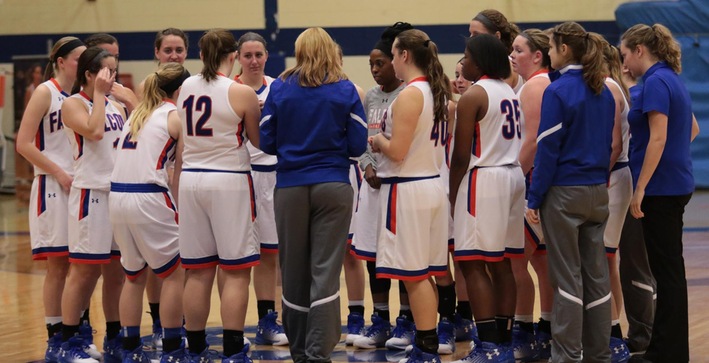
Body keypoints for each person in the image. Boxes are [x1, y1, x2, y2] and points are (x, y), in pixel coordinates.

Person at [260, 27, 367, 363]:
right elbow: (359, 144)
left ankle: (300, 351)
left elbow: (266, 140)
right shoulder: (345, 88)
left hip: (290, 186)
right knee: (325, 270)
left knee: (292, 271)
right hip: (334, 185)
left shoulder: (279, 87)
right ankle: (319, 351)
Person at [526, 21, 615, 363]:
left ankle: (565, 355)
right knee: (596, 278)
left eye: (550, 47)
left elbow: (547, 150)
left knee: (566, 280)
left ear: (564, 49)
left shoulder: (558, 91)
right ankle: (599, 354)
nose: (548, 54)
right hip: (597, 192)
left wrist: (534, 197)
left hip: (564, 194)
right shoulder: (603, 90)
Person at [175, 28, 261, 363]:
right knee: (236, 270)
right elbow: (258, 141)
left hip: (191, 179)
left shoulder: (185, 87)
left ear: (200, 54)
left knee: (198, 271)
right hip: (228, 180)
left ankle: (194, 348)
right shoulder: (240, 92)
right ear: (234, 55)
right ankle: (232, 349)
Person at [368, 28, 450, 363]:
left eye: (394, 54)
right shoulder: (433, 90)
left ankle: (426, 348)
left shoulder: (410, 94)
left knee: (413, 276)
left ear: (403, 55)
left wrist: (377, 141)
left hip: (409, 189)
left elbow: (397, 151)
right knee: (424, 274)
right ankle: (426, 343)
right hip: (429, 185)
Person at [620, 23, 700, 363]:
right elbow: (692, 129)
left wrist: (641, 187)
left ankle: (668, 352)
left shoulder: (654, 82)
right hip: (674, 184)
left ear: (640, 50)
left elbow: (658, 137)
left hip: (661, 191)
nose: (623, 63)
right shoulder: (670, 79)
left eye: (625, 55)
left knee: (667, 273)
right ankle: (665, 349)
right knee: (669, 271)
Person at [108, 62, 189, 362]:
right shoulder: (174, 116)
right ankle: (171, 348)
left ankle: (129, 348)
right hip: (148, 197)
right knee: (173, 274)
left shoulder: (137, 115)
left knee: (134, 276)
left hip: (117, 197)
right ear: (179, 90)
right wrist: (182, 211)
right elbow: (178, 173)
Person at [449, 34, 521, 363]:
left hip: (485, 177)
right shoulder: (509, 90)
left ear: (479, 62)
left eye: (466, 56)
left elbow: (461, 156)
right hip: (512, 175)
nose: (463, 62)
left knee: (471, 263)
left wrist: (451, 196)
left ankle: (489, 345)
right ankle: (503, 342)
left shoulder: (474, 95)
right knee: (503, 262)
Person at [15, 36, 87, 363]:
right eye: (78, 59)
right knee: (58, 267)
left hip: (80, 188)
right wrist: (59, 172)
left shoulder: (81, 97)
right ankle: (55, 339)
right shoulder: (46, 91)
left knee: (82, 268)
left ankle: (77, 334)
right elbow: (23, 143)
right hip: (53, 186)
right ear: (60, 61)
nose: (84, 65)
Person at [57, 46, 127, 363]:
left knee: (117, 274)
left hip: (116, 195)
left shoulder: (115, 105)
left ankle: (115, 338)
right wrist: (99, 95)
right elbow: (95, 132)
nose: (111, 78)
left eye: (114, 71)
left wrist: (119, 97)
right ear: (89, 74)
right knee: (83, 273)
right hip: (90, 195)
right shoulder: (72, 104)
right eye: (106, 72)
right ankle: (66, 343)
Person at [349, 21, 413, 351]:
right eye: (371, 64)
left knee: (400, 258)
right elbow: (362, 138)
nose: (374, 70)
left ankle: (406, 321)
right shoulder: (371, 96)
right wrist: (367, 165)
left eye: (380, 63)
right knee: (373, 258)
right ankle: (381, 321)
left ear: (396, 60)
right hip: (373, 187)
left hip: (400, 184)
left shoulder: (410, 94)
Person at [134, 27, 190, 351]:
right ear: (157, 53)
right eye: (168, 50)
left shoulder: (190, 85)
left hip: (174, 180)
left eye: (179, 50)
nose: (173, 55)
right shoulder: (148, 88)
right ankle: (159, 323)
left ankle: (173, 322)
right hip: (154, 184)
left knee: (171, 263)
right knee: (161, 265)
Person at [233, 31, 288, 346]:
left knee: (270, 253)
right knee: (234, 256)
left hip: (273, 176)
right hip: (238, 177)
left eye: (258, 55)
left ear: (266, 56)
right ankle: (232, 326)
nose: (253, 60)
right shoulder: (229, 90)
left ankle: (268, 320)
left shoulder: (278, 88)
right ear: (238, 58)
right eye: (247, 55)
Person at [508, 28, 554, 361]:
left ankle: (523, 331)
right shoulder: (534, 84)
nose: (512, 54)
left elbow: (534, 141)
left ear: (537, 56)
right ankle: (547, 329)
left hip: (533, 182)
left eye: (518, 49)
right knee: (541, 262)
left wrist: (513, 177)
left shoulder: (536, 85)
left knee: (514, 262)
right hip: (541, 182)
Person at [597, 35, 634, 363]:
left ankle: (612, 334)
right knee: (608, 259)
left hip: (612, 177)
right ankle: (611, 330)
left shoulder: (608, 86)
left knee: (604, 258)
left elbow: (613, 145)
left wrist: (598, 177)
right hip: (617, 176)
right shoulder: (615, 84)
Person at [617, 62, 656, 355]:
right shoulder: (657, 87)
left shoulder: (639, 93)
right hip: (642, 183)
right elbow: (691, 128)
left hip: (633, 183)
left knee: (635, 266)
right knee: (637, 265)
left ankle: (643, 339)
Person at [468, 9, 523, 92]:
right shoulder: (488, 65)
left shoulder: (505, 65)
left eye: (476, 34)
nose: (470, 39)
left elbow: (496, 99)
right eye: (470, 34)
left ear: (497, 36)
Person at [84, 33, 138, 114]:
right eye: (105, 55)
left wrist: (128, 101)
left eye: (116, 56)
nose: (112, 61)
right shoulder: (77, 95)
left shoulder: (126, 92)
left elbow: (144, 124)